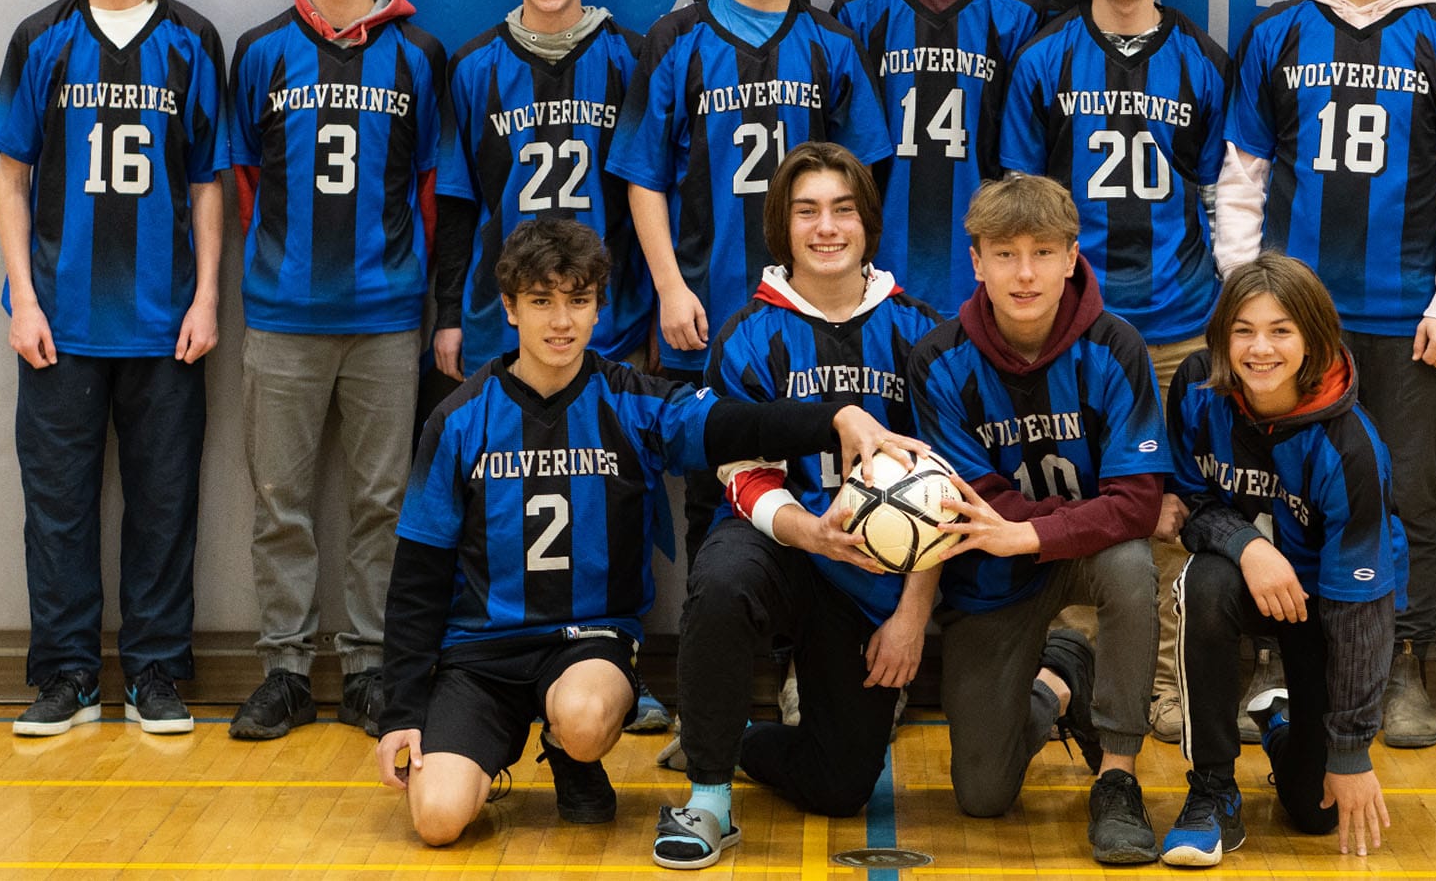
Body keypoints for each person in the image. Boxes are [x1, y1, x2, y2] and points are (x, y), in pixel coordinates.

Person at [374, 218, 919, 847]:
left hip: (587, 644)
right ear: (510, 308)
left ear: (599, 309)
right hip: (478, 653)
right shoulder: (459, 418)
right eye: (542, 301)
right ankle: (484, 755)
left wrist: (835, 418)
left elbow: (735, 427)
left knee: (580, 719)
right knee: (438, 821)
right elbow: (417, 577)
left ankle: (573, 758)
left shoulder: (631, 400)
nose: (561, 321)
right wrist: (403, 713)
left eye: (578, 301)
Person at [1216, 0, 1436, 747]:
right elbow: (1242, 174)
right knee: (1284, 490)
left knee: (1408, 492)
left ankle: (1405, 666)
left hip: (1407, 315)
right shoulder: (1276, 34)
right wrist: (1242, 300)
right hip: (1291, 326)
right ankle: (1281, 658)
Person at [0, 0, 227, 736]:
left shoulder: (192, 40)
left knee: (165, 506)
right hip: (61, 319)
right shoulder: (40, 37)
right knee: (56, 507)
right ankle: (66, 677)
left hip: (167, 325)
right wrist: (22, 297)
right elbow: (12, 177)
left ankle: (158, 673)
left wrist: (206, 296)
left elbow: (208, 182)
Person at [656, 144, 943, 868]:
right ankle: (708, 796)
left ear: (867, 223)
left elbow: (947, 488)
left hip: (868, 572)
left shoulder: (920, 332)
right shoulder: (748, 333)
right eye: (807, 210)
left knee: (843, 783)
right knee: (720, 581)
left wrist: (912, 615)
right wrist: (807, 529)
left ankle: (739, 740)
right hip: (781, 542)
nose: (826, 227)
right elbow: (740, 473)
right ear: (781, 226)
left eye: (843, 210)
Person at [607, 0, 891, 563]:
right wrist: (670, 287)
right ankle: (727, 660)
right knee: (714, 501)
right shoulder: (676, 39)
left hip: (809, 315)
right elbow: (644, 177)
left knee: (819, 485)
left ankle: (807, 658)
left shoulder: (832, 43)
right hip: (703, 305)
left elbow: (862, 182)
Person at [999, 0, 1230, 745]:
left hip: (1176, 320)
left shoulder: (1203, 60)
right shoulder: (1045, 58)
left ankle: (1168, 686)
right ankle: (1063, 666)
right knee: (1070, 501)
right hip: (1072, 327)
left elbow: (1222, 187)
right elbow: (1020, 200)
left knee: (1169, 508)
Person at [225, 0, 446, 741]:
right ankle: (283, 668)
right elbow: (245, 176)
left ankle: (367, 668)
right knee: (279, 498)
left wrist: (400, 273)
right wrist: (286, 262)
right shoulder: (262, 48)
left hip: (388, 318)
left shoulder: (419, 55)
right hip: (282, 315)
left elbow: (431, 184)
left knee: (380, 501)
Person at [910, 174, 1173, 865]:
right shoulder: (938, 360)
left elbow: (1139, 499)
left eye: (1042, 251)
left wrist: (1036, 531)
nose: (1024, 272)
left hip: (1064, 550)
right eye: (1004, 253)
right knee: (983, 793)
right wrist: (1073, 518)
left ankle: (1117, 777)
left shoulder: (1116, 347)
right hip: (993, 576)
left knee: (1129, 560)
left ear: (1070, 256)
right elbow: (977, 498)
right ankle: (1062, 677)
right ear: (976, 262)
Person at [1159, 253, 1404, 867]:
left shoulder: (1350, 449)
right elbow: (1188, 499)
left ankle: (1283, 722)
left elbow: (1362, 618)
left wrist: (1349, 751)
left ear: (1314, 340)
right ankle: (1212, 790)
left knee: (1314, 811)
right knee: (1203, 584)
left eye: (1281, 331)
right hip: (1241, 578)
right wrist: (1249, 546)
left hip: (1327, 602)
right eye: (1243, 330)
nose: (1259, 349)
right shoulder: (1194, 388)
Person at [432, 0, 652, 382]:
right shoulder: (472, 68)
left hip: (615, 323)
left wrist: (662, 304)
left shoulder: (633, 60)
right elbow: (455, 203)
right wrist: (447, 314)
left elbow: (656, 195)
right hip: (499, 326)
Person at [832, 0, 1048, 314]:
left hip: (981, 271)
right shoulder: (858, 13)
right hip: (876, 269)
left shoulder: (1018, 16)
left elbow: (1023, 164)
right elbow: (844, 157)